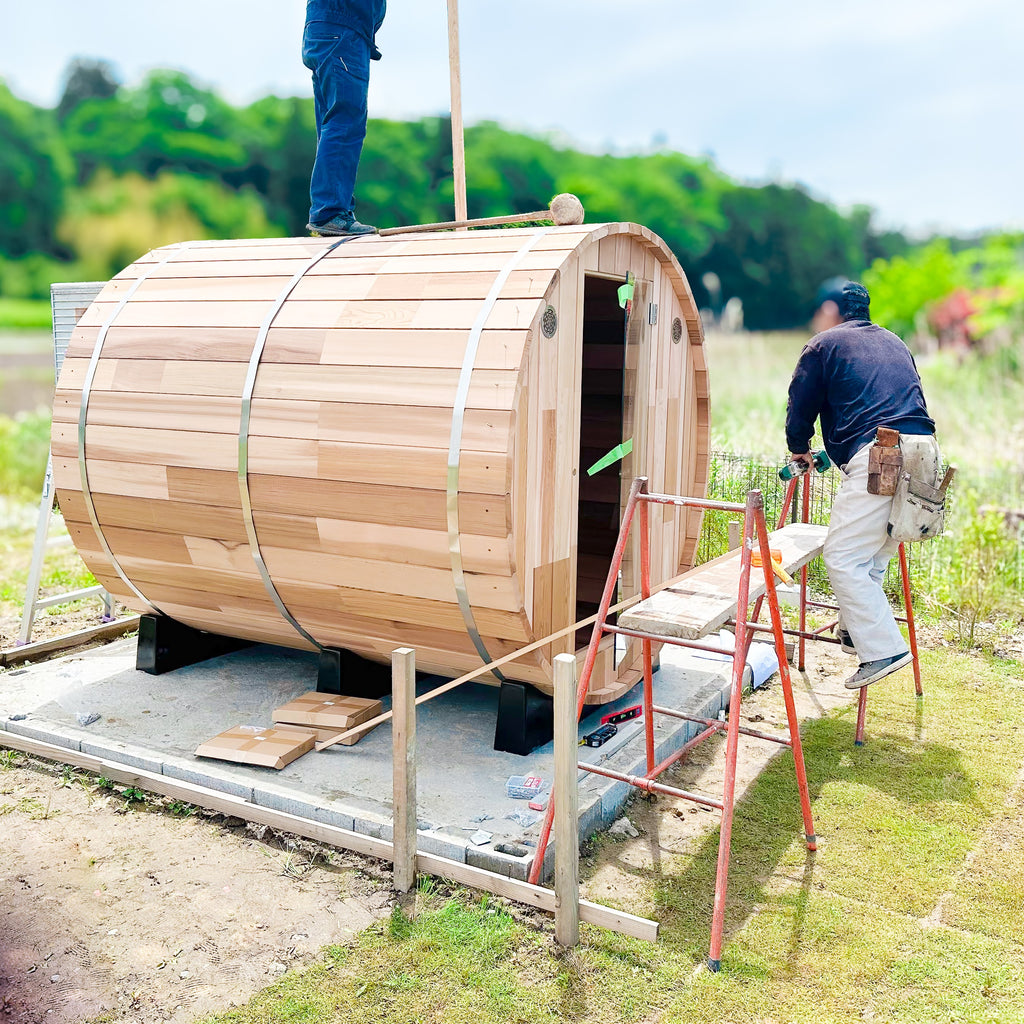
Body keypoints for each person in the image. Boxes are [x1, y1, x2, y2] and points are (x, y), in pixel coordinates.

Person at [785, 281, 938, 689]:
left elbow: (802, 402)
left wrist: (799, 448)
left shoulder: (823, 344)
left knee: (842, 557)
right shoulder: (895, 342)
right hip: (925, 450)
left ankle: (884, 649)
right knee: (872, 557)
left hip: (883, 453)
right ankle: (855, 631)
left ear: (830, 308)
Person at [302, 0, 386, 237]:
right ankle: (330, 212)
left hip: (328, 29)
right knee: (345, 120)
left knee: (334, 122)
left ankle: (332, 210)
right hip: (342, 30)